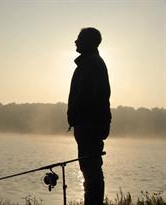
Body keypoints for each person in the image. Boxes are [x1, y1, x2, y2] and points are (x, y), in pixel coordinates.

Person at [67, 27, 111, 205]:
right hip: (89, 125)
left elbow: (89, 97)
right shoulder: (90, 63)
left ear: (89, 42)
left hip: (89, 126)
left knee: (91, 171)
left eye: (79, 38)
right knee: (90, 170)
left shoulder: (91, 64)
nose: (75, 41)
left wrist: (80, 119)